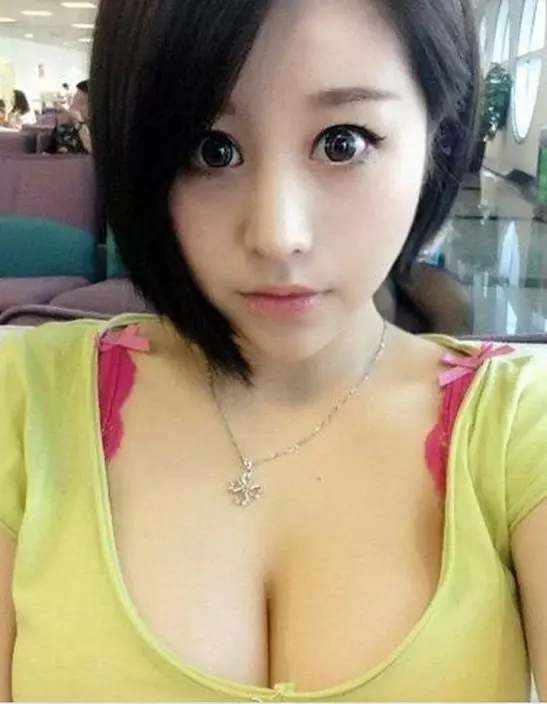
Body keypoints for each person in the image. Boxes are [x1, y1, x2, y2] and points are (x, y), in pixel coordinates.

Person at [0, 0, 546, 701]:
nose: (277, 235)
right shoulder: (24, 404)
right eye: (211, 150)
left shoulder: (518, 428)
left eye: (342, 142)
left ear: (435, 136)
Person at [49, 79, 92, 154]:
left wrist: (80, 124)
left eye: (80, 103)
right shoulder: (62, 131)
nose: (72, 107)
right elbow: (46, 158)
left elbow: (92, 150)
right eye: (73, 102)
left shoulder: (105, 133)